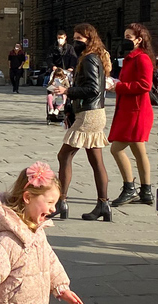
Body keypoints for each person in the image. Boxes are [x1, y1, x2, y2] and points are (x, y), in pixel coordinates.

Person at [0, 162, 82, 304]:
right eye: (49, 202)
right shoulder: (4, 242)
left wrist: (60, 286)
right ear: (28, 197)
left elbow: (49, 259)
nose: (53, 209)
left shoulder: (37, 232)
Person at [52, 23, 112, 222]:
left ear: (89, 40)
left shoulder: (89, 59)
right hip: (93, 112)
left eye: (80, 39)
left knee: (64, 156)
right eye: (74, 38)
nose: (76, 42)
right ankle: (103, 205)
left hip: (89, 114)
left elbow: (93, 89)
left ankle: (62, 202)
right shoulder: (93, 57)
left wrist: (67, 91)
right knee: (96, 161)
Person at [107, 23, 156, 207]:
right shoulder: (132, 57)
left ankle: (130, 189)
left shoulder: (141, 58)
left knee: (116, 149)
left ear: (139, 39)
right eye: (125, 36)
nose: (126, 40)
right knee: (138, 150)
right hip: (132, 109)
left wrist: (118, 86)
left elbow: (145, 85)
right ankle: (146, 191)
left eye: (129, 37)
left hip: (136, 111)